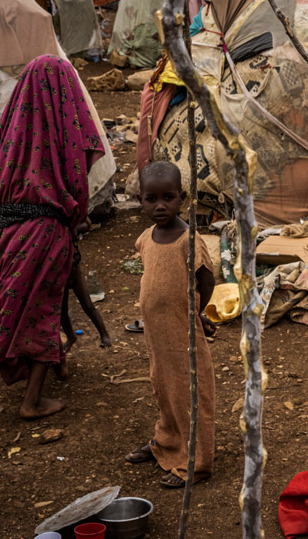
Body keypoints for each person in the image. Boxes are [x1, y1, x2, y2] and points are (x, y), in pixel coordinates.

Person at [0, 55, 104, 420]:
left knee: (23, 301)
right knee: (43, 310)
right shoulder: (64, 127)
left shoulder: (12, 126)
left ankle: (54, 367)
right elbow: (76, 173)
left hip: (5, 231)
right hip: (44, 230)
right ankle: (32, 400)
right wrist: (73, 214)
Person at [125, 161, 218, 488]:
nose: (160, 205)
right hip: (157, 337)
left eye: (168, 197)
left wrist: (196, 313)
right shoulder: (146, 239)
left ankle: (197, 463)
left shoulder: (188, 241)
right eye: (152, 199)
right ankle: (167, 443)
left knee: (190, 395)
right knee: (164, 390)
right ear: (141, 201)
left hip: (183, 337)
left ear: (183, 198)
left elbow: (206, 280)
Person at [60, 219, 112, 350]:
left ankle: (104, 335)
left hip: (74, 270)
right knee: (62, 311)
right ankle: (71, 337)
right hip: (59, 273)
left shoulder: (69, 213)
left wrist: (74, 228)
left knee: (88, 305)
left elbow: (87, 224)